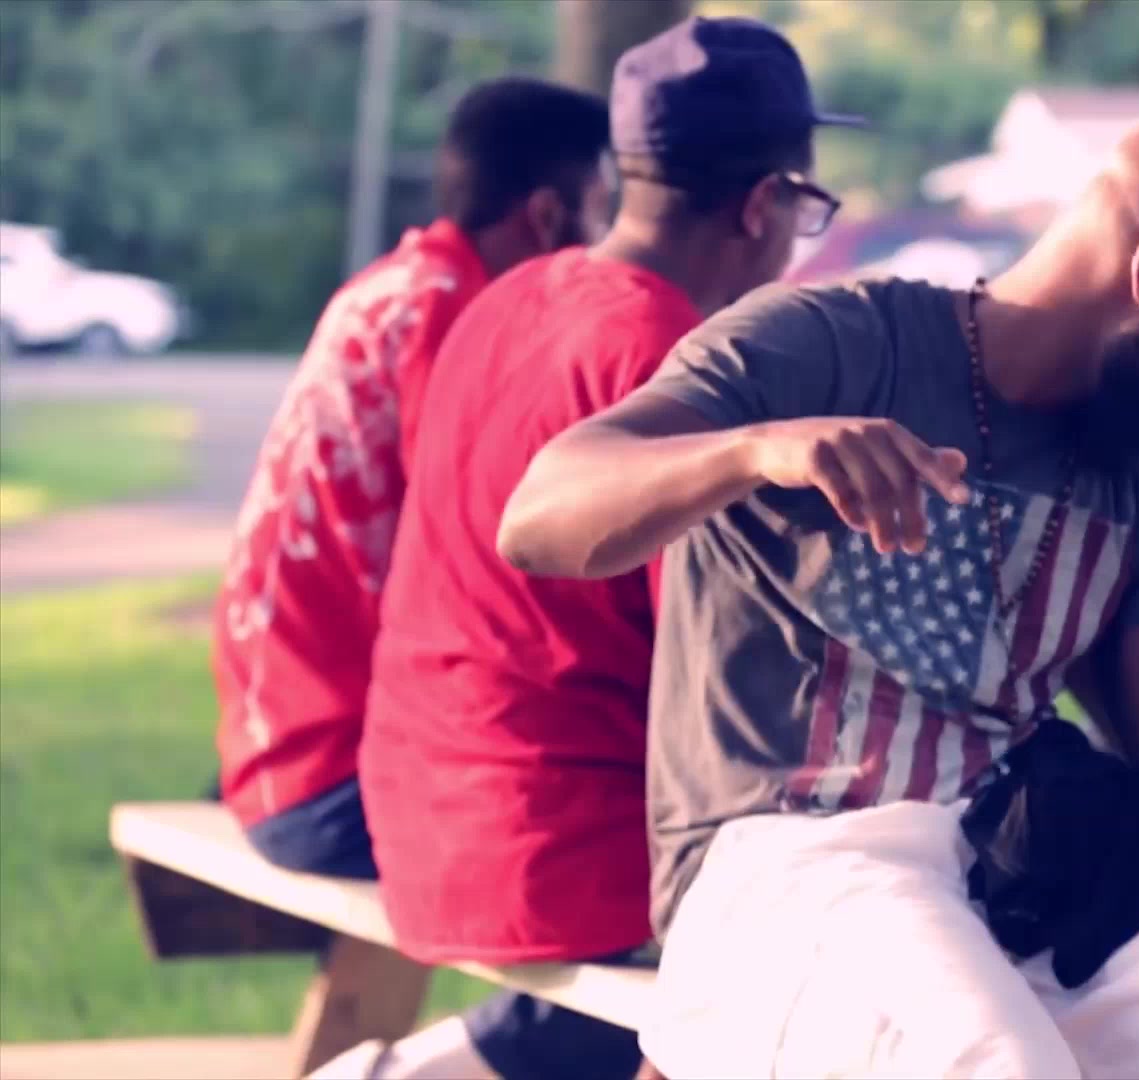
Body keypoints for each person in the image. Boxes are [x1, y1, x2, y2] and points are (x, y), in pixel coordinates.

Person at [497, 114, 1139, 1080]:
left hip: (1012, 875)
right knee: (997, 1063)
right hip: (785, 864)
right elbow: (540, 516)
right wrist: (752, 451)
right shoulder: (828, 347)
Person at [320, 16, 859, 1080]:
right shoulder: (676, 368)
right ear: (763, 205)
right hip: (556, 857)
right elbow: (734, 682)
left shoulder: (508, 297)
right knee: (877, 921)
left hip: (417, 810)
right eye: (806, 206)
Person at [212, 77, 611, 878]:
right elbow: (484, 569)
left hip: (276, 747)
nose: (607, 244)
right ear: (546, 216)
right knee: (630, 836)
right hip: (332, 780)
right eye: (604, 213)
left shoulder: (392, 287)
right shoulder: (459, 319)